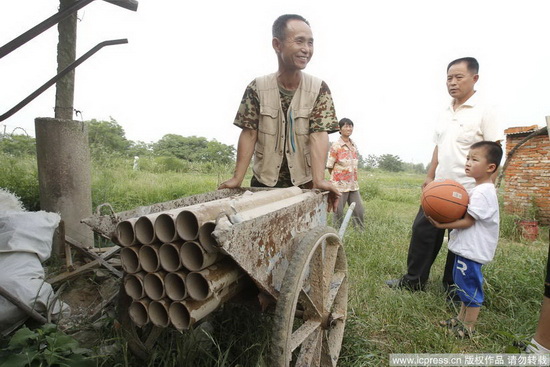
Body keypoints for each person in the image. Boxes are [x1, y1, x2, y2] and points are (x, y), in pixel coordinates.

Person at [386, 57, 502, 296]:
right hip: (439, 188)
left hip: (468, 189)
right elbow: (438, 146)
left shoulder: (486, 110)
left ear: (474, 78)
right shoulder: (445, 111)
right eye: (449, 77)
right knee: (422, 232)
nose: (452, 82)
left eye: (459, 77)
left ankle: (454, 288)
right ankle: (413, 281)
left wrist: (490, 186)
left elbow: (496, 150)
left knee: (460, 241)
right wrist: (430, 176)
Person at [218, 14, 341, 211]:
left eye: (310, 43)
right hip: (264, 184)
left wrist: (319, 180)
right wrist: (237, 178)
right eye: (299, 41)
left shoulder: (319, 88)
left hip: (303, 184)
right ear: (277, 44)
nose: (306, 49)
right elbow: (249, 133)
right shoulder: (257, 87)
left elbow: (319, 134)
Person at [428, 141, 503, 337]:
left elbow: (468, 221)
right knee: (462, 286)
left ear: (490, 167)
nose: (468, 162)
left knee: (470, 289)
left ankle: (468, 327)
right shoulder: (478, 189)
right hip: (465, 249)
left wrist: (441, 225)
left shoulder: (483, 192)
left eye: (474, 159)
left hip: (472, 251)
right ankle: (461, 319)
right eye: (468, 158)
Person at [326, 118, 365, 229]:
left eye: (351, 126)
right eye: (346, 126)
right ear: (340, 129)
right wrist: (338, 179)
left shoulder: (353, 145)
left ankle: (360, 234)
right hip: (339, 186)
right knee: (338, 212)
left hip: (353, 185)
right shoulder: (336, 146)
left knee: (359, 211)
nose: (349, 128)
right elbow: (330, 166)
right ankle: (335, 235)